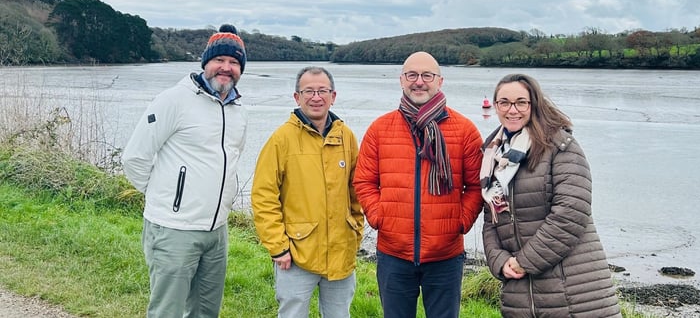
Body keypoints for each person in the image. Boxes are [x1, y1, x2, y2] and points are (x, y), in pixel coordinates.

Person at [122, 24, 249, 318]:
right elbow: (135, 158)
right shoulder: (173, 100)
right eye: (220, 60)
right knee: (168, 311)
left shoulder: (238, 111)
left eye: (234, 62)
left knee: (206, 312)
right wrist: (166, 200)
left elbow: (232, 159)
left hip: (217, 232)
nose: (226, 68)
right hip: (173, 230)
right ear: (205, 62)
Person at [353, 51, 483, 318]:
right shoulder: (380, 129)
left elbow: (477, 186)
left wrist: (460, 222)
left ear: (440, 81)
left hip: (446, 255)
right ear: (401, 80)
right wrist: (380, 217)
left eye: (427, 75)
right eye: (412, 75)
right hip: (393, 253)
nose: (419, 82)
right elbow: (364, 180)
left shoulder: (465, 130)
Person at [480, 73, 620, 317]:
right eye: (504, 102)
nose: (512, 110)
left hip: (574, 291)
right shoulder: (493, 154)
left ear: (534, 104)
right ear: (495, 106)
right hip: (521, 295)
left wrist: (524, 261)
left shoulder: (561, 147)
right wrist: (500, 261)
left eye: (521, 102)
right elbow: (491, 219)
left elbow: (570, 215)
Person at [251, 66, 364, 318]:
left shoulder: (346, 137)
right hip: (296, 253)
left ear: (333, 96)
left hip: (340, 252)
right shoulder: (281, 139)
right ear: (297, 97)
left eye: (322, 91)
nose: (316, 97)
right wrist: (278, 246)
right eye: (309, 91)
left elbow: (357, 191)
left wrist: (356, 231)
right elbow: (263, 195)